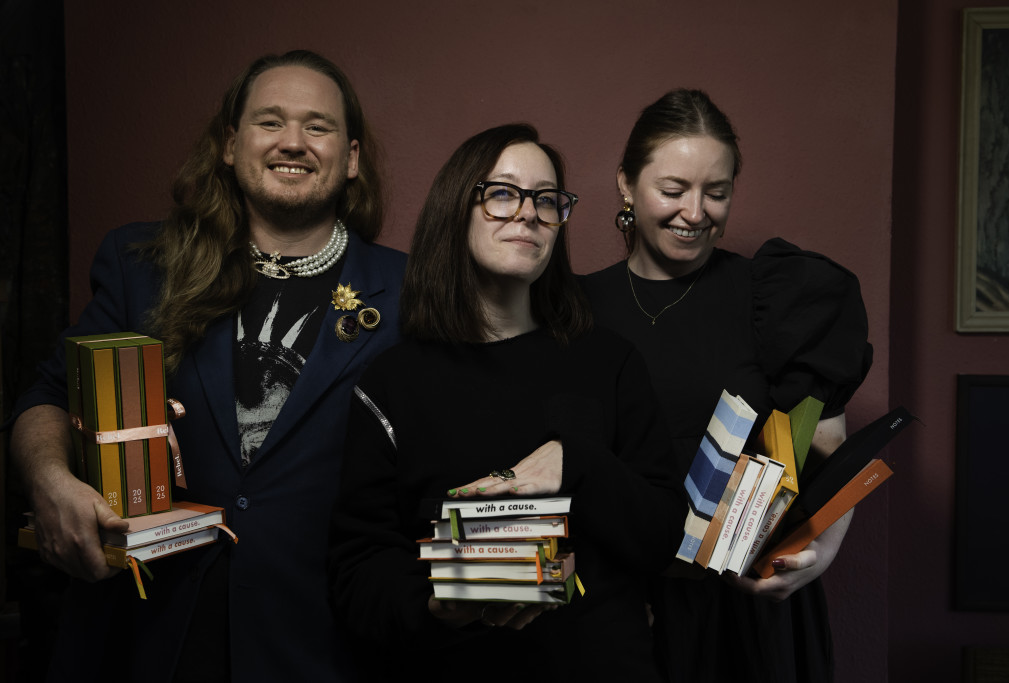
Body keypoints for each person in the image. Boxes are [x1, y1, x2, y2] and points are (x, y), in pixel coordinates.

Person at [9, 50, 406, 682]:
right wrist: (50, 480)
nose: (293, 143)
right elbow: (48, 395)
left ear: (351, 158)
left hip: (322, 645)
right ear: (230, 144)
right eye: (269, 121)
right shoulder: (141, 266)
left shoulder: (409, 293)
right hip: (147, 634)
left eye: (318, 126)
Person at [327, 123, 685, 682]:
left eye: (547, 200)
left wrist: (576, 465)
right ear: (456, 208)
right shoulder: (393, 382)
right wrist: (437, 605)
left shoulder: (609, 362)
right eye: (501, 194)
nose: (527, 213)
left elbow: (664, 535)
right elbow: (358, 570)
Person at [580, 88, 873, 683]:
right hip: (614, 607)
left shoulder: (777, 299)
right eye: (673, 190)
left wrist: (819, 559)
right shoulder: (575, 306)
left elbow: (828, 445)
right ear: (625, 184)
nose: (696, 212)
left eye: (717, 193)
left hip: (743, 617)